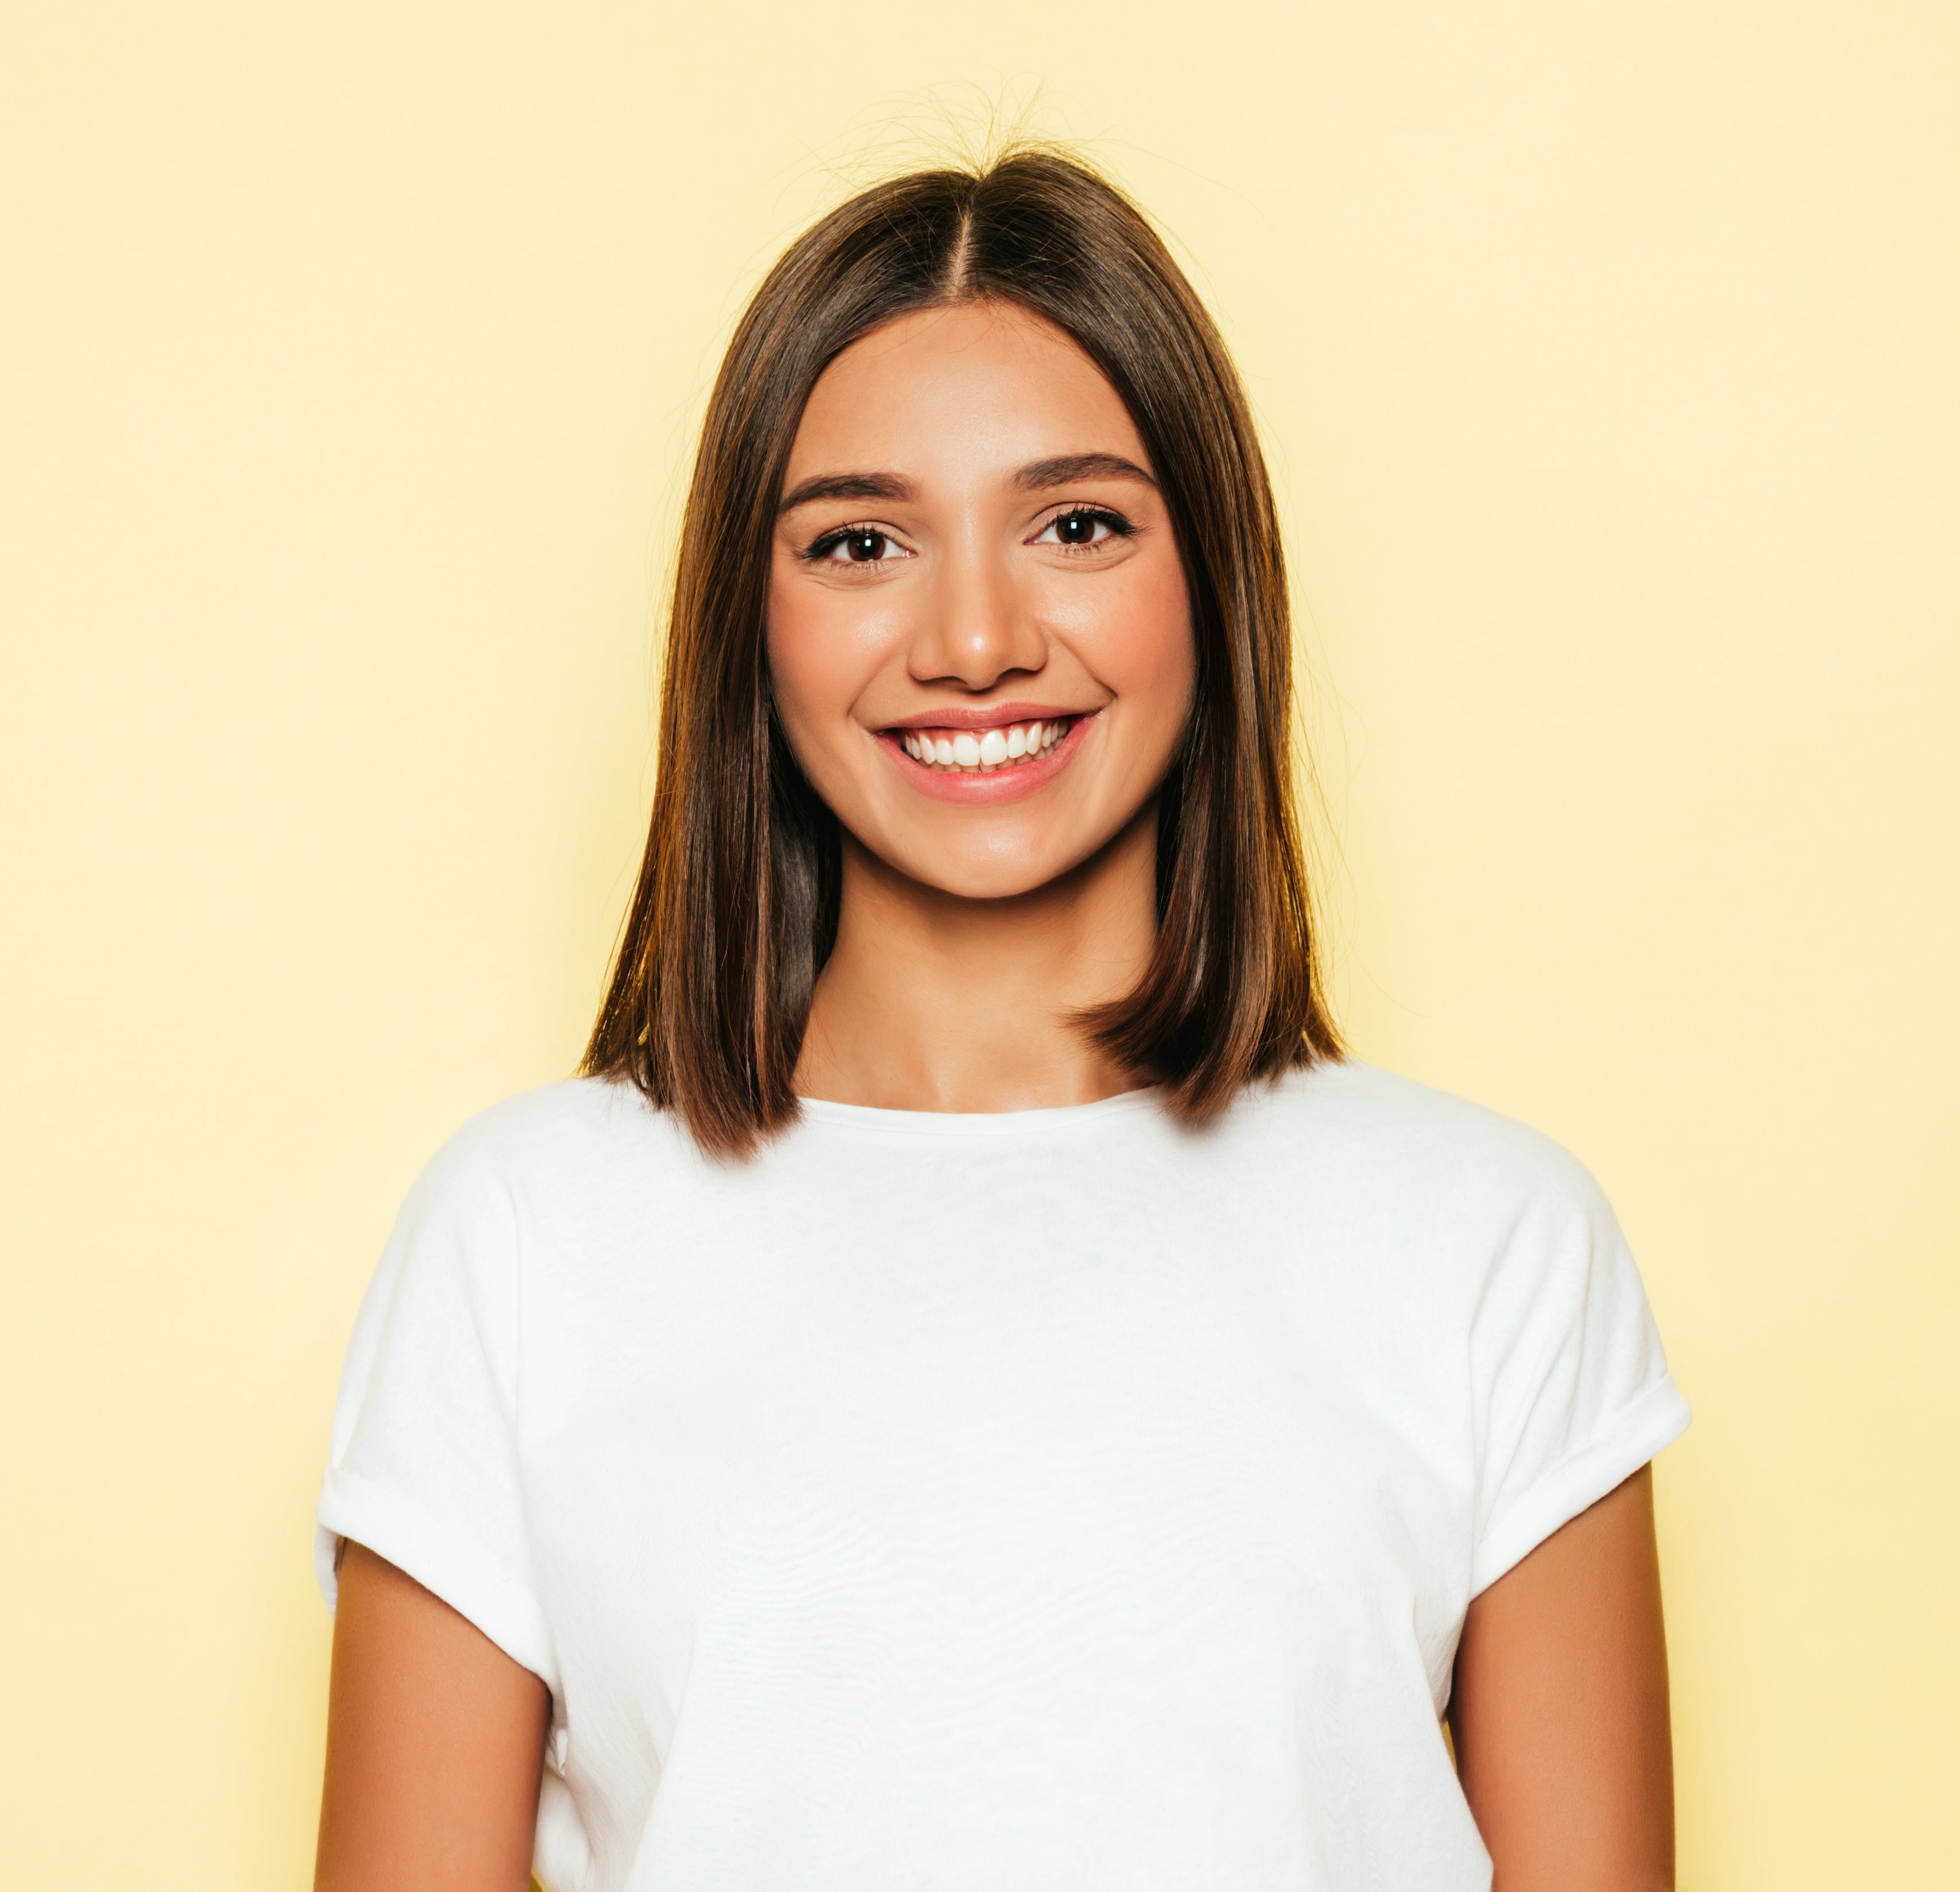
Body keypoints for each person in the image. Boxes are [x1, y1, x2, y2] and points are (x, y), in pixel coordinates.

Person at [312, 147, 1690, 1892]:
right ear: (751, 621)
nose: (974, 640)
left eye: (1078, 525)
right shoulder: (521, 1235)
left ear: (1213, 580)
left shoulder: (1493, 1241)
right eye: (862, 542)